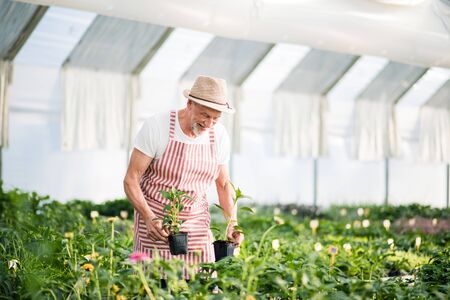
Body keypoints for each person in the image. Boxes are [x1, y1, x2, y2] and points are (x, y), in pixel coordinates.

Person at [123, 75, 243, 278]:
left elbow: (223, 184)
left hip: (197, 227)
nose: (209, 123)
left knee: (202, 287)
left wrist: (233, 222)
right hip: (157, 226)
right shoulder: (158, 127)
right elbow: (131, 179)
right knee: (156, 287)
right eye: (204, 115)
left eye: (215, 118)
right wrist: (148, 218)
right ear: (189, 103)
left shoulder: (219, 136)